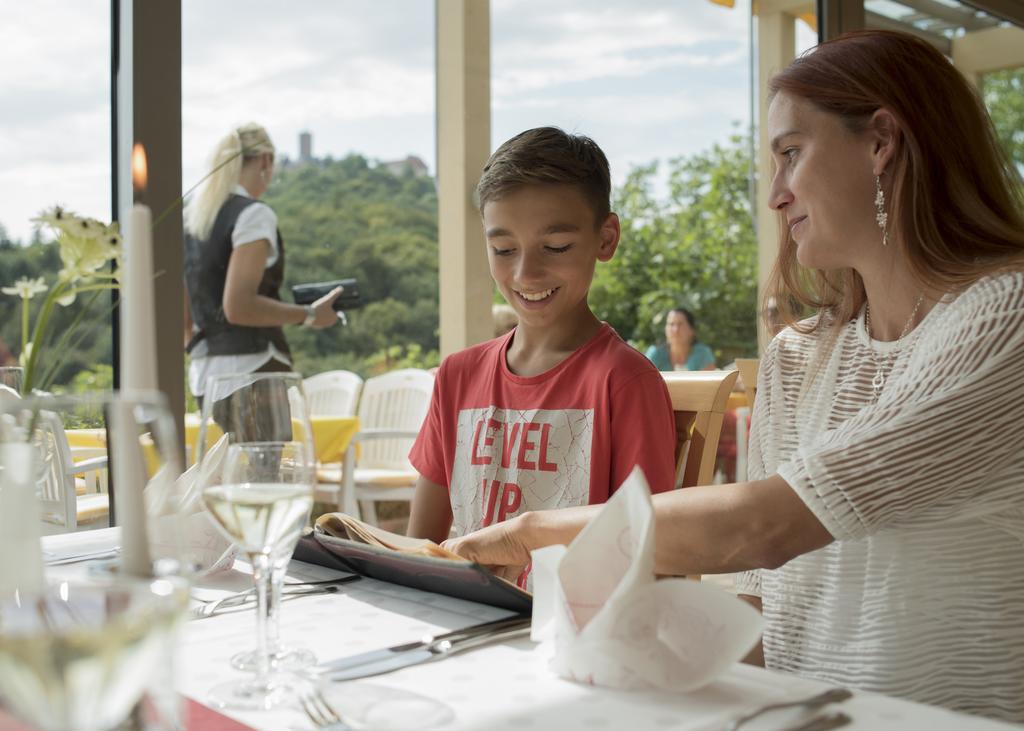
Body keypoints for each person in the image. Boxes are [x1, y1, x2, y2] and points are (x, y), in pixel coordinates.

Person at [439, 31, 1024, 722]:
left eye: (790, 154)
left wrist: (532, 530)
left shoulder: (1003, 318)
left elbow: (766, 525)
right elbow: (758, 606)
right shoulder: (798, 356)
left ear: (881, 143)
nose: (775, 195)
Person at [406, 127, 677, 568]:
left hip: (573, 631)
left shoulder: (624, 383)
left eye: (555, 247)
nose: (526, 273)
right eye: (503, 248)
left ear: (606, 239)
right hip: (465, 627)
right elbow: (419, 549)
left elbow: (647, 555)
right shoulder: (458, 376)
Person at [183, 123, 342, 434]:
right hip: (254, 373)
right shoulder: (253, 215)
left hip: (205, 377)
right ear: (265, 161)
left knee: (224, 476)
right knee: (268, 477)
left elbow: (183, 315)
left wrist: (208, 348)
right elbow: (238, 307)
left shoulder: (192, 219)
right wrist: (310, 315)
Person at [644, 307, 716, 371]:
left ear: (692, 330)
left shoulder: (703, 354)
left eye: (680, 324)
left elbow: (710, 385)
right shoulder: (655, 353)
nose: (675, 330)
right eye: (671, 324)